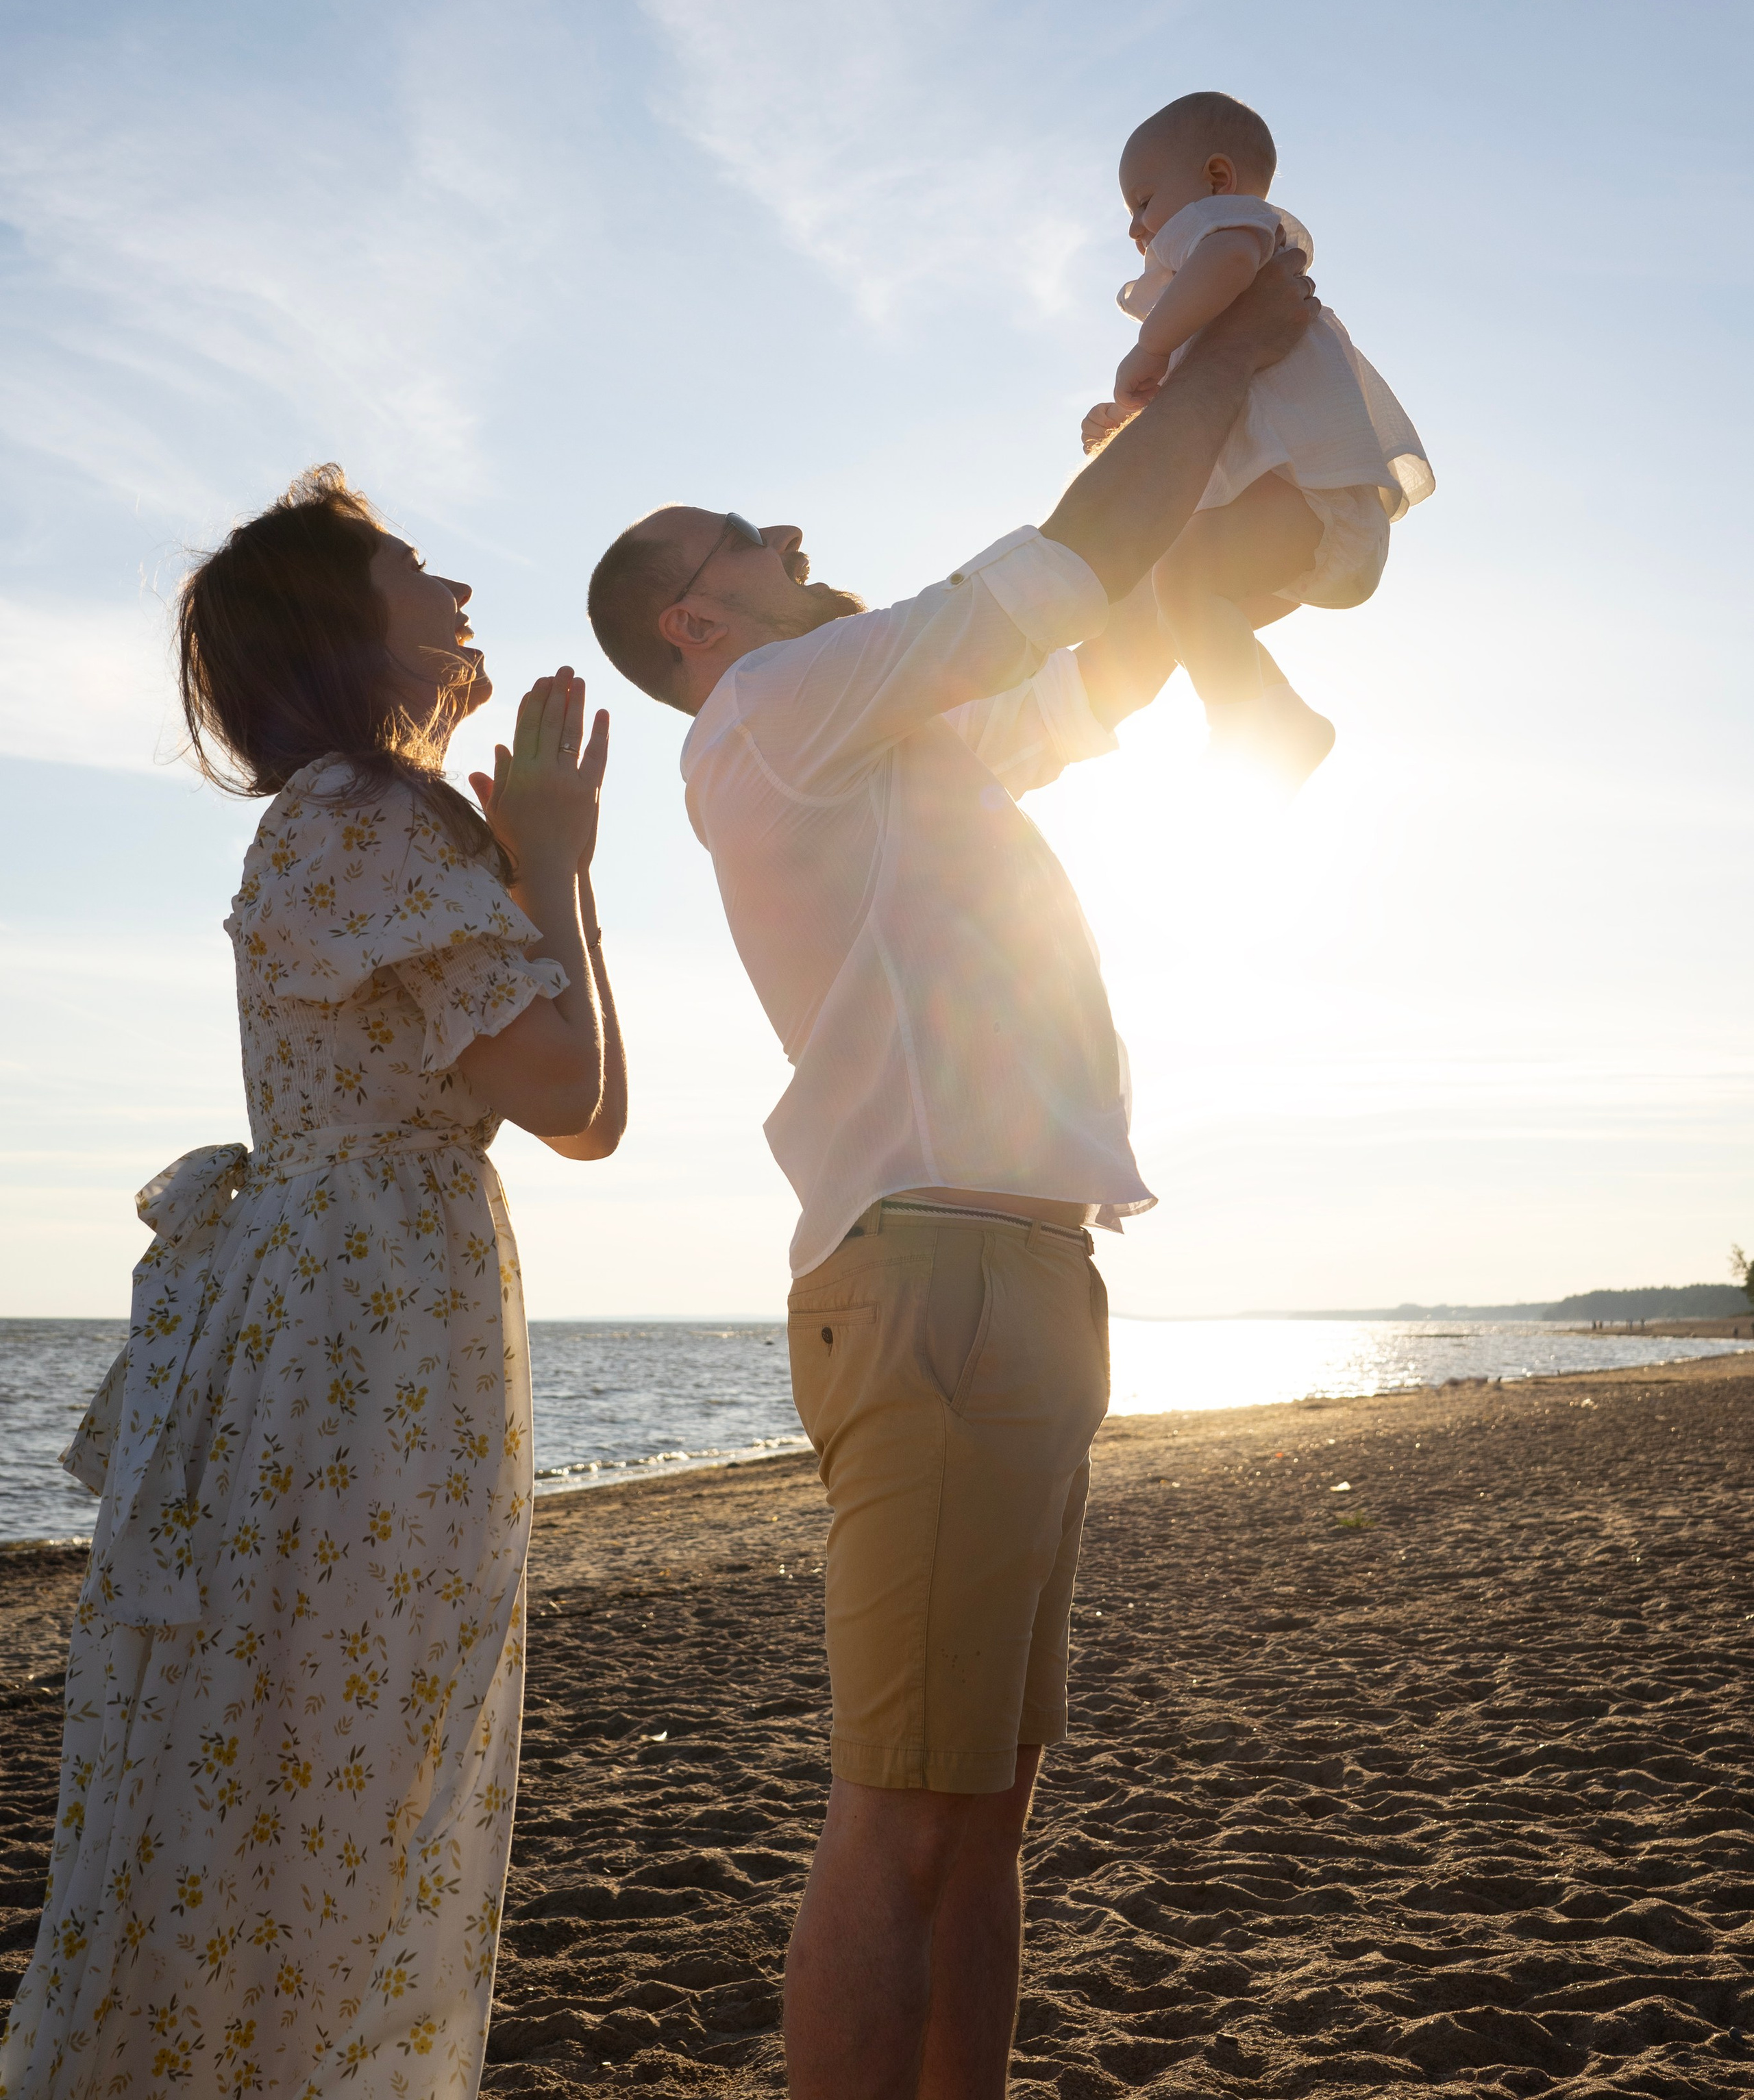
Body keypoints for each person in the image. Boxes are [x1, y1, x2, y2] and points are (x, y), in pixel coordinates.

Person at [585, 247, 1316, 2100]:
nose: (792, 529)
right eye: (748, 532)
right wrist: (1216, 369)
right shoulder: (772, 715)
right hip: (936, 1288)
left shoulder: (895, 744)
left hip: (1026, 1283)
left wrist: (1191, 486)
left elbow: (1100, 655)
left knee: (982, 1815)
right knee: (903, 1824)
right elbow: (1046, 576)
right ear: (692, 624)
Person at [0, 466, 625, 2100]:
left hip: (378, 1303)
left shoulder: (388, 820)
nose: (459, 592)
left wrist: (550, 860)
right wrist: (551, 862)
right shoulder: (358, 814)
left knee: (338, 1738)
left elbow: (587, 1109)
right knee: (342, 1752)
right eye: (418, 569)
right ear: (346, 625)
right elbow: (569, 1090)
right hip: (362, 1322)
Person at [1082, 91, 1433, 789]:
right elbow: (1215, 398)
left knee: (1180, 580)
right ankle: (1282, 720)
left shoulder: (1224, 229)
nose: (1135, 227)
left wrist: (1147, 349)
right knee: (1184, 608)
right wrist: (1128, 420)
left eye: (1143, 201)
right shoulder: (1205, 287)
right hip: (1299, 511)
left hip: (1301, 495)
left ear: (1216, 179)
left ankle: (1245, 728)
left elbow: (1230, 262)